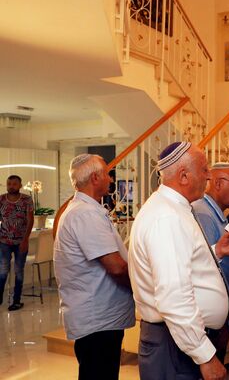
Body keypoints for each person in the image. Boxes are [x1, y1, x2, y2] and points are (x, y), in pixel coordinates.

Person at [128, 142, 229, 380]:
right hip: (173, 344)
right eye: (204, 170)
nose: (209, 176)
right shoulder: (167, 217)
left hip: (177, 340)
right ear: (183, 175)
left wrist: (215, 251)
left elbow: (181, 262)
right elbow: (174, 296)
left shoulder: (173, 209)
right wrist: (206, 356)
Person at [54, 155, 135, 380]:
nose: (111, 179)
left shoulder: (85, 209)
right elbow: (116, 267)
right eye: (108, 174)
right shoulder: (85, 213)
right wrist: (142, 289)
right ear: (95, 177)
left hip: (99, 317)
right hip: (97, 320)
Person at [191, 162, 229, 362]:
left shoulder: (216, 212)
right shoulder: (203, 212)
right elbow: (209, 265)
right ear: (219, 183)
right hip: (209, 318)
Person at [0, 175, 33, 311]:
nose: (11, 186)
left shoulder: (26, 199)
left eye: (14, 184)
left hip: (21, 241)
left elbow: (30, 220)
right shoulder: (1, 199)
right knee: (2, 271)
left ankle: (16, 301)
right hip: (4, 242)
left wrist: (25, 239)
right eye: (9, 184)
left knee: (19, 271)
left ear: (20, 185)